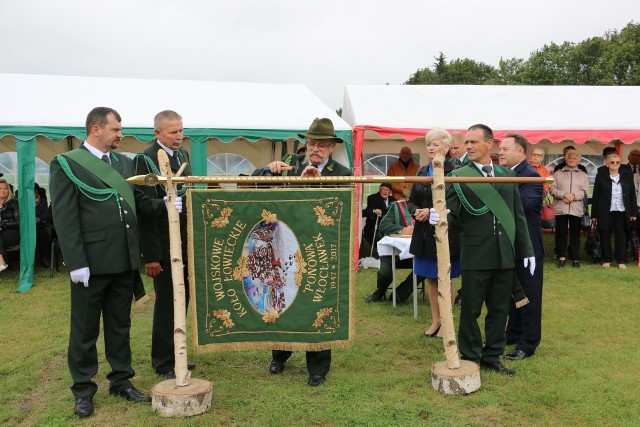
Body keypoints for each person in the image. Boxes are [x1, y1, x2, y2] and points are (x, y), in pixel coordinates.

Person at [49, 107, 152, 418]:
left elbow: (134, 207)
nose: (120, 135)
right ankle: (83, 389)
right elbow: (65, 217)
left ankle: (121, 380)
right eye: (116, 130)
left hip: (122, 258)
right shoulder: (67, 164)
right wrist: (76, 261)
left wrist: (166, 203)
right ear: (96, 129)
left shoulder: (124, 162)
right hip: (91, 264)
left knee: (120, 324)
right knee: (84, 329)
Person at [431, 124, 535, 376]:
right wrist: (441, 214)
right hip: (476, 254)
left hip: (504, 254)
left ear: (490, 144)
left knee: (499, 309)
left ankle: (492, 356)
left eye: (474, 142)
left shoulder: (507, 175)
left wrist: (526, 249)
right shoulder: (459, 175)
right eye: (466, 142)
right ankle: (470, 355)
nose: (468, 147)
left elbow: (517, 217)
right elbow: (453, 213)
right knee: (471, 309)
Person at [259, 117, 351, 387]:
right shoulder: (289, 164)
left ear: (332, 147)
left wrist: (319, 182)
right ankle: (280, 354)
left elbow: (343, 210)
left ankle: (318, 367)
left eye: (322, 145)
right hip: (285, 244)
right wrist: (268, 170)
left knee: (318, 301)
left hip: (321, 249)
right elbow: (252, 182)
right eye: (312, 143)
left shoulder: (342, 173)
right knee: (281, 298)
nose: (316, 149)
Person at [134, 110, 193, 379]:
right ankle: (163, 360)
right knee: (167, 301)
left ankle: (177, 352)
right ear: (158, 133)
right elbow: (141, 205)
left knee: (184, 296)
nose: (179, 136)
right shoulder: (144, 159)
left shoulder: (183, 155)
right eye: (173, 132)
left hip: (185, 239)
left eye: (181, 130)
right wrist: (151, 256)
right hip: (162, 241)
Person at [409, 128, 460, 338]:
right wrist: (416, 212)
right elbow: (411, 200)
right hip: (423, 232)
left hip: (447, 231)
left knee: (445, 278)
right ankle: (436, 321)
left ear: (447, 148)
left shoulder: (455, 171)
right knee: (431, 278)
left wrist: (431, 211)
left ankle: (447, 322)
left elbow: (455, 202)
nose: (431, 147)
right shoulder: (421, 171)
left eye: (436, 144)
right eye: (429, 144)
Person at [498, 134, 545, 360]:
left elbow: (526, 205)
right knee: (512, 291)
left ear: (520, 152)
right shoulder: (504, 174)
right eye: (500, 148)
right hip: (510, 244)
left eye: (506, 148)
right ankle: (514, 333)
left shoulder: (531, 175)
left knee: (529, 293)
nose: (501, 152)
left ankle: (528, 343)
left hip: (529, 248)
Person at [364, 198, 420, 304]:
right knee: (385, 273)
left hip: (416, 252)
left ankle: (400, 294)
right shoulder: (397, 206)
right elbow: (383, 225)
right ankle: (379, 293)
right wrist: (401, 229)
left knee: (426, 268)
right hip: (394, 252)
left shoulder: (429, 208)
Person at [591, 153, 638, 269]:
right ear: (607, 164)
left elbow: (632, 195)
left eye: (617, 162)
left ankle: (621, 260)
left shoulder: (627, 175)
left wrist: (633, 212)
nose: (615, 164)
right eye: (612, 162)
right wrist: (594, 215)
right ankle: (607, 259)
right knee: (605, 235)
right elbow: (595, 196)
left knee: (621, 236)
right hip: (605, 210)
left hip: (622, 210)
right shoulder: (601, 176)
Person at [549, 149, 590, 268]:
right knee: (561, 234)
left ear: (578, 160)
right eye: (570, 158)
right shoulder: (558, 173)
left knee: (575, 235)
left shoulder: (583, 175)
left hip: (576, 209)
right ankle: (561, 257)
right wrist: (564, 194)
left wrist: (573, 196)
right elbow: (552, 189)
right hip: (560, 208)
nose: (572, 160)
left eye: (574, 158)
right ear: (566, 159)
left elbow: (585, 192)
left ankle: (575, 258)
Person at [360, 183, 395, 258]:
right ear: (379, 190)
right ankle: (384, 256)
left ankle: (391, 256)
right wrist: (374, 210)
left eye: (387, 190)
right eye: (383, 189)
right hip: (374, 227)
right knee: (378, 236)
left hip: (388, 227)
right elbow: (367, 211)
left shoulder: (393, 200)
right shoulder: (372, 198)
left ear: (390, 192)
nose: (384, 191)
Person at [0, 178, 19, 272]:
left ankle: (1, 261)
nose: (3, 191)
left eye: (5, 188)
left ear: (9, 190)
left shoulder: (14, 203)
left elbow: (19, 222)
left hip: (13, 231)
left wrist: (3, 225)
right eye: (0, 188)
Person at [34, 183, 52, 267]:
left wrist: (39, 219)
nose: (34, 194)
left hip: (40, 225)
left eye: (36, 192)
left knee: (43, 234)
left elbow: (46, 214)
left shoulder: (43, 201)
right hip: (27, 226)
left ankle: (44, 258)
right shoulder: (24, 201)